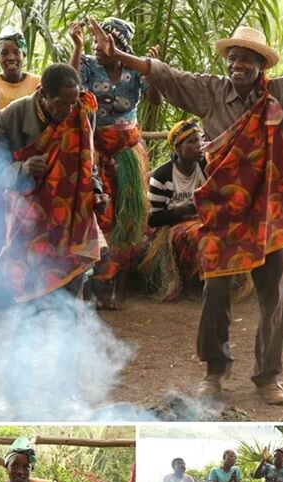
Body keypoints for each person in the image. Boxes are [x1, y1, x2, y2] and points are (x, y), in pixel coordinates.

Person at [87, 18, 283, 404]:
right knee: (216, 289)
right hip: (225, 213)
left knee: (273, 295)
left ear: (261, 65)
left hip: (271, 211)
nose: (237, 65)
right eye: (233, 58)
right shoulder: (210, 92)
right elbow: (166, 75)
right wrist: (118, 54)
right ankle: (214, 371)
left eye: (247, 60)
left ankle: (268, 377)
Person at [0, 63, 105, 302]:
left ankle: (67, 335)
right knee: (28, 282)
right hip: (27, 216)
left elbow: (87, 163)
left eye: (72, 102)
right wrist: (22, 169)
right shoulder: (11, 116)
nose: (69, 108)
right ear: (43, 94)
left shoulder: (82, 113)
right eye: (62, 102)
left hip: (71, 214)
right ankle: (28, 334)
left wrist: (96, 191)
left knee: (71, 284)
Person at [69, 17, 162, 308]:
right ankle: (92, 285)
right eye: (95, 42)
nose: (97, 47)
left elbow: (156, 100)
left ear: (118, 46)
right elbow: (71, 90)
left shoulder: (135, 70)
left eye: (102, 42)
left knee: (129, 219)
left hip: (128, 154)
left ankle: (116, 289)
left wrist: (155, 71)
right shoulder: (86, 64)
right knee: (99, 215)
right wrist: (77, 47)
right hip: (95, 152)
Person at [140, 119, 207, 300]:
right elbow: (153, 219)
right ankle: (193, 284)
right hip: (171, 227)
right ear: (177, 148)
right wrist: (182, 210)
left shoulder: (206, 167)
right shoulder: (162, 176)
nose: (199, 146)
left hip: (199, 219)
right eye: (192, 142)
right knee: (196, 233)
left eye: (200, 140)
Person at [0, 28, 41, 136]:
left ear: (23, 55)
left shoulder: (38, 82)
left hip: (31, 146)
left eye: (16, 52)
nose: (11, 57)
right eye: (4, 53)